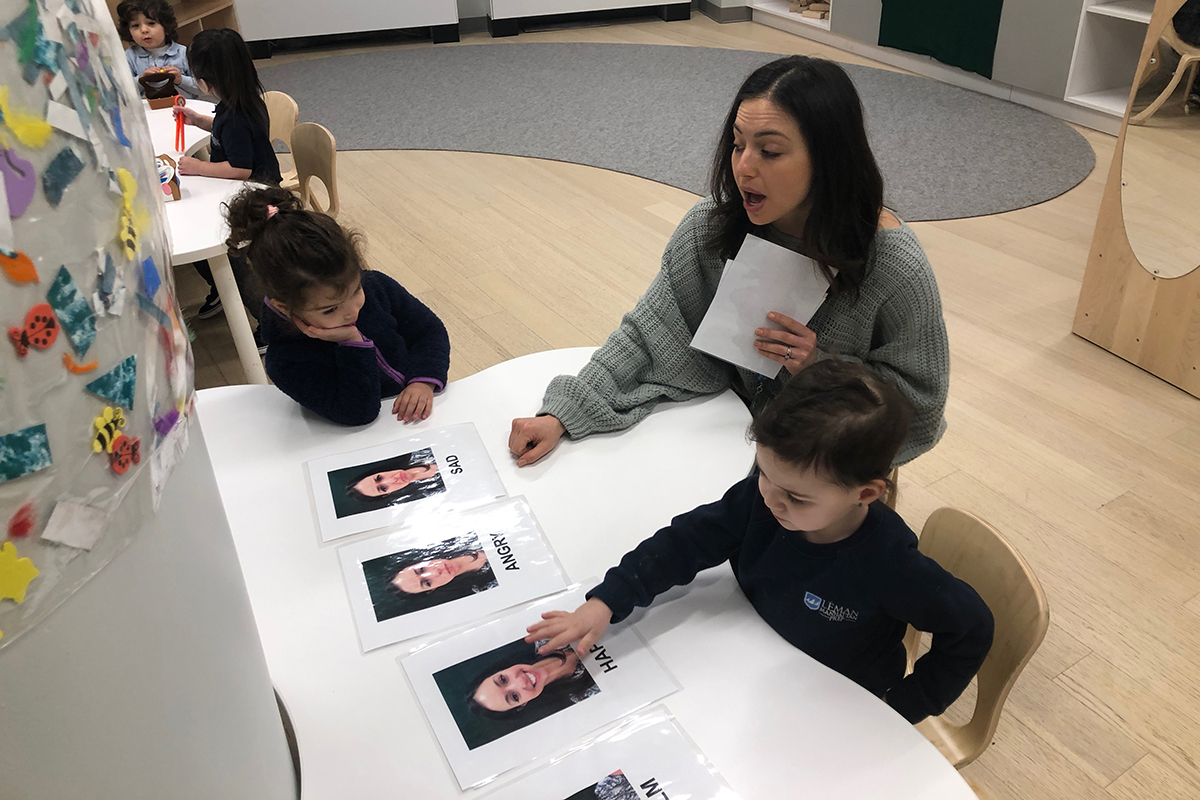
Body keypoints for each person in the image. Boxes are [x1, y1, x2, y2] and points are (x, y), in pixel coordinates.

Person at [509, 55, 949, 470]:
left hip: (822, 473)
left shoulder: (893, 264)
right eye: (738, 145)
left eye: (770, 152)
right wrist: (566, 412)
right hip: (721, 441)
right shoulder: (712, 227)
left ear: (830, 159)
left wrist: (821, 370)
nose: (743, 167)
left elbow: (919, 407)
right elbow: (654, 331)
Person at [525, 360, 993, 725]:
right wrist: (607, 601)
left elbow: (971, 628)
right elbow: (685, 541)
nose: (771, 498)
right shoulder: (761, 499)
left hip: (831, 702)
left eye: (796, 496)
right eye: (764, 473)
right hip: (745, 660)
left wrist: (901, 706)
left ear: (866, 493)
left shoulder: (891, 564)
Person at [225, 186, 451, 425]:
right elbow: (357, 413)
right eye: (330, 309)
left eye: (356, 291)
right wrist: (352, 343)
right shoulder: (285, 361)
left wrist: (423, 380)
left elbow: (429, 330)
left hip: (423, 412)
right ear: (284, 308)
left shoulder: (376, 285)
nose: (352, 310)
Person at [174, 28, 283, 323]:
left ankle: (266, 321)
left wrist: (198, 167)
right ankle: (223, 289)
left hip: (259, 195)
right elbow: (228, 136)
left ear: (206, 81)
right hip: (248, 187)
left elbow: (240, 169)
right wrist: (199, 121)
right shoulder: (237, 104)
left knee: (231, 257)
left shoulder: (236, 117)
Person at [363, 544, 496, 622]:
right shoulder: (484, 589)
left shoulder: (456, 538)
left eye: (421, 569)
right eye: (427, 582)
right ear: (432, 590)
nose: (435, 572)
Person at [465, 642, 596, 718]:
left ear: (502, 669)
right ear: (523, 704)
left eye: (503, 679)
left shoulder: (545, 633)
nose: (521, 681)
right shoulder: (586, 697)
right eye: (515, 696)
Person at [117, 0, 199, 99]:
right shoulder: (128, 57)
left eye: (151, 23)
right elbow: (121, 92)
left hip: (183, 109)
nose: (144, 30)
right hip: (148, 112)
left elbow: (203, 88)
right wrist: (141, 80)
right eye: (135, 25)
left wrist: (181, 80)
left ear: (166, 27)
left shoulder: (183, 53)